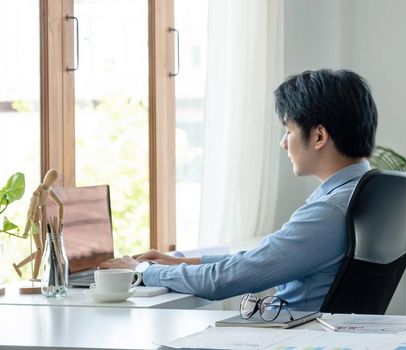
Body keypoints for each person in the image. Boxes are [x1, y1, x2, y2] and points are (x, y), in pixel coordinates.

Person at [100, 69, 378, 311]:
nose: (284, 143)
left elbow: (223, 281)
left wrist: (142, 271)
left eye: (289, 130)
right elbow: (259, 259)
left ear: (318, 136)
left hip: (291, 335)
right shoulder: (367, 195)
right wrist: (179, 263)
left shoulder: (330, 212)